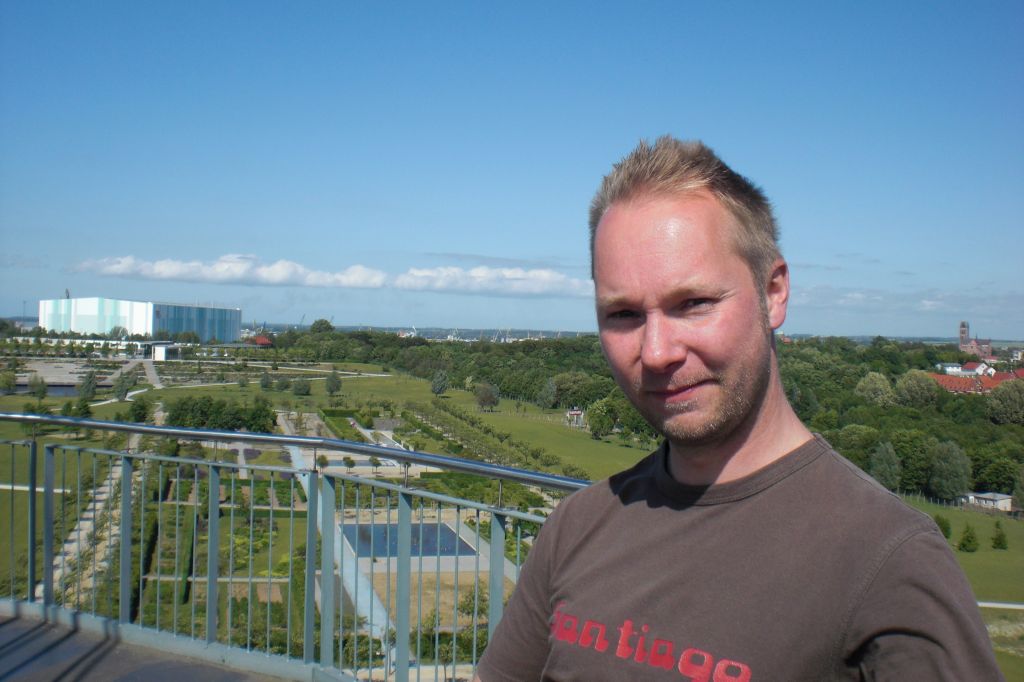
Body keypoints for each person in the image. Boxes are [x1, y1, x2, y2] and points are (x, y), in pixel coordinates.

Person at [475, 137, 1002, 681]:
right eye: (624, 314)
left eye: (694, 303)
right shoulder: (575, 528)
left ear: (773, 293)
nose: (656, 352)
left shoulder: (889, 561)